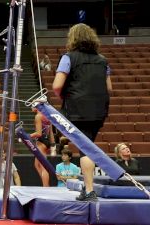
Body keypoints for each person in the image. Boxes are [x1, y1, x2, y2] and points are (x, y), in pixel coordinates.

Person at [53, 23, 112, 201]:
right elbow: (109, 89)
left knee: (85, 149)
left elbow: (56, 86)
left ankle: (89, 190)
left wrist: (64, 95)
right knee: (87, 146)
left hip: (76, 110)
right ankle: (87, 189)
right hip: (98, 111)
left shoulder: (68, 57)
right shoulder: (103, 60)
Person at [30, 107, 55, 187]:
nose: (31, 107)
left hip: (41, 142)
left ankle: (46, 187)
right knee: (36, 165)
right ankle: (45, 185)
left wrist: (27, 136)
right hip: (45, 142)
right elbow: (51, 133)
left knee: (43, 166)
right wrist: (53, 145)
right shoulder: (47, 116)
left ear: (36, 107)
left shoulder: (38, 116)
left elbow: (38, 133)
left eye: (32, 105)